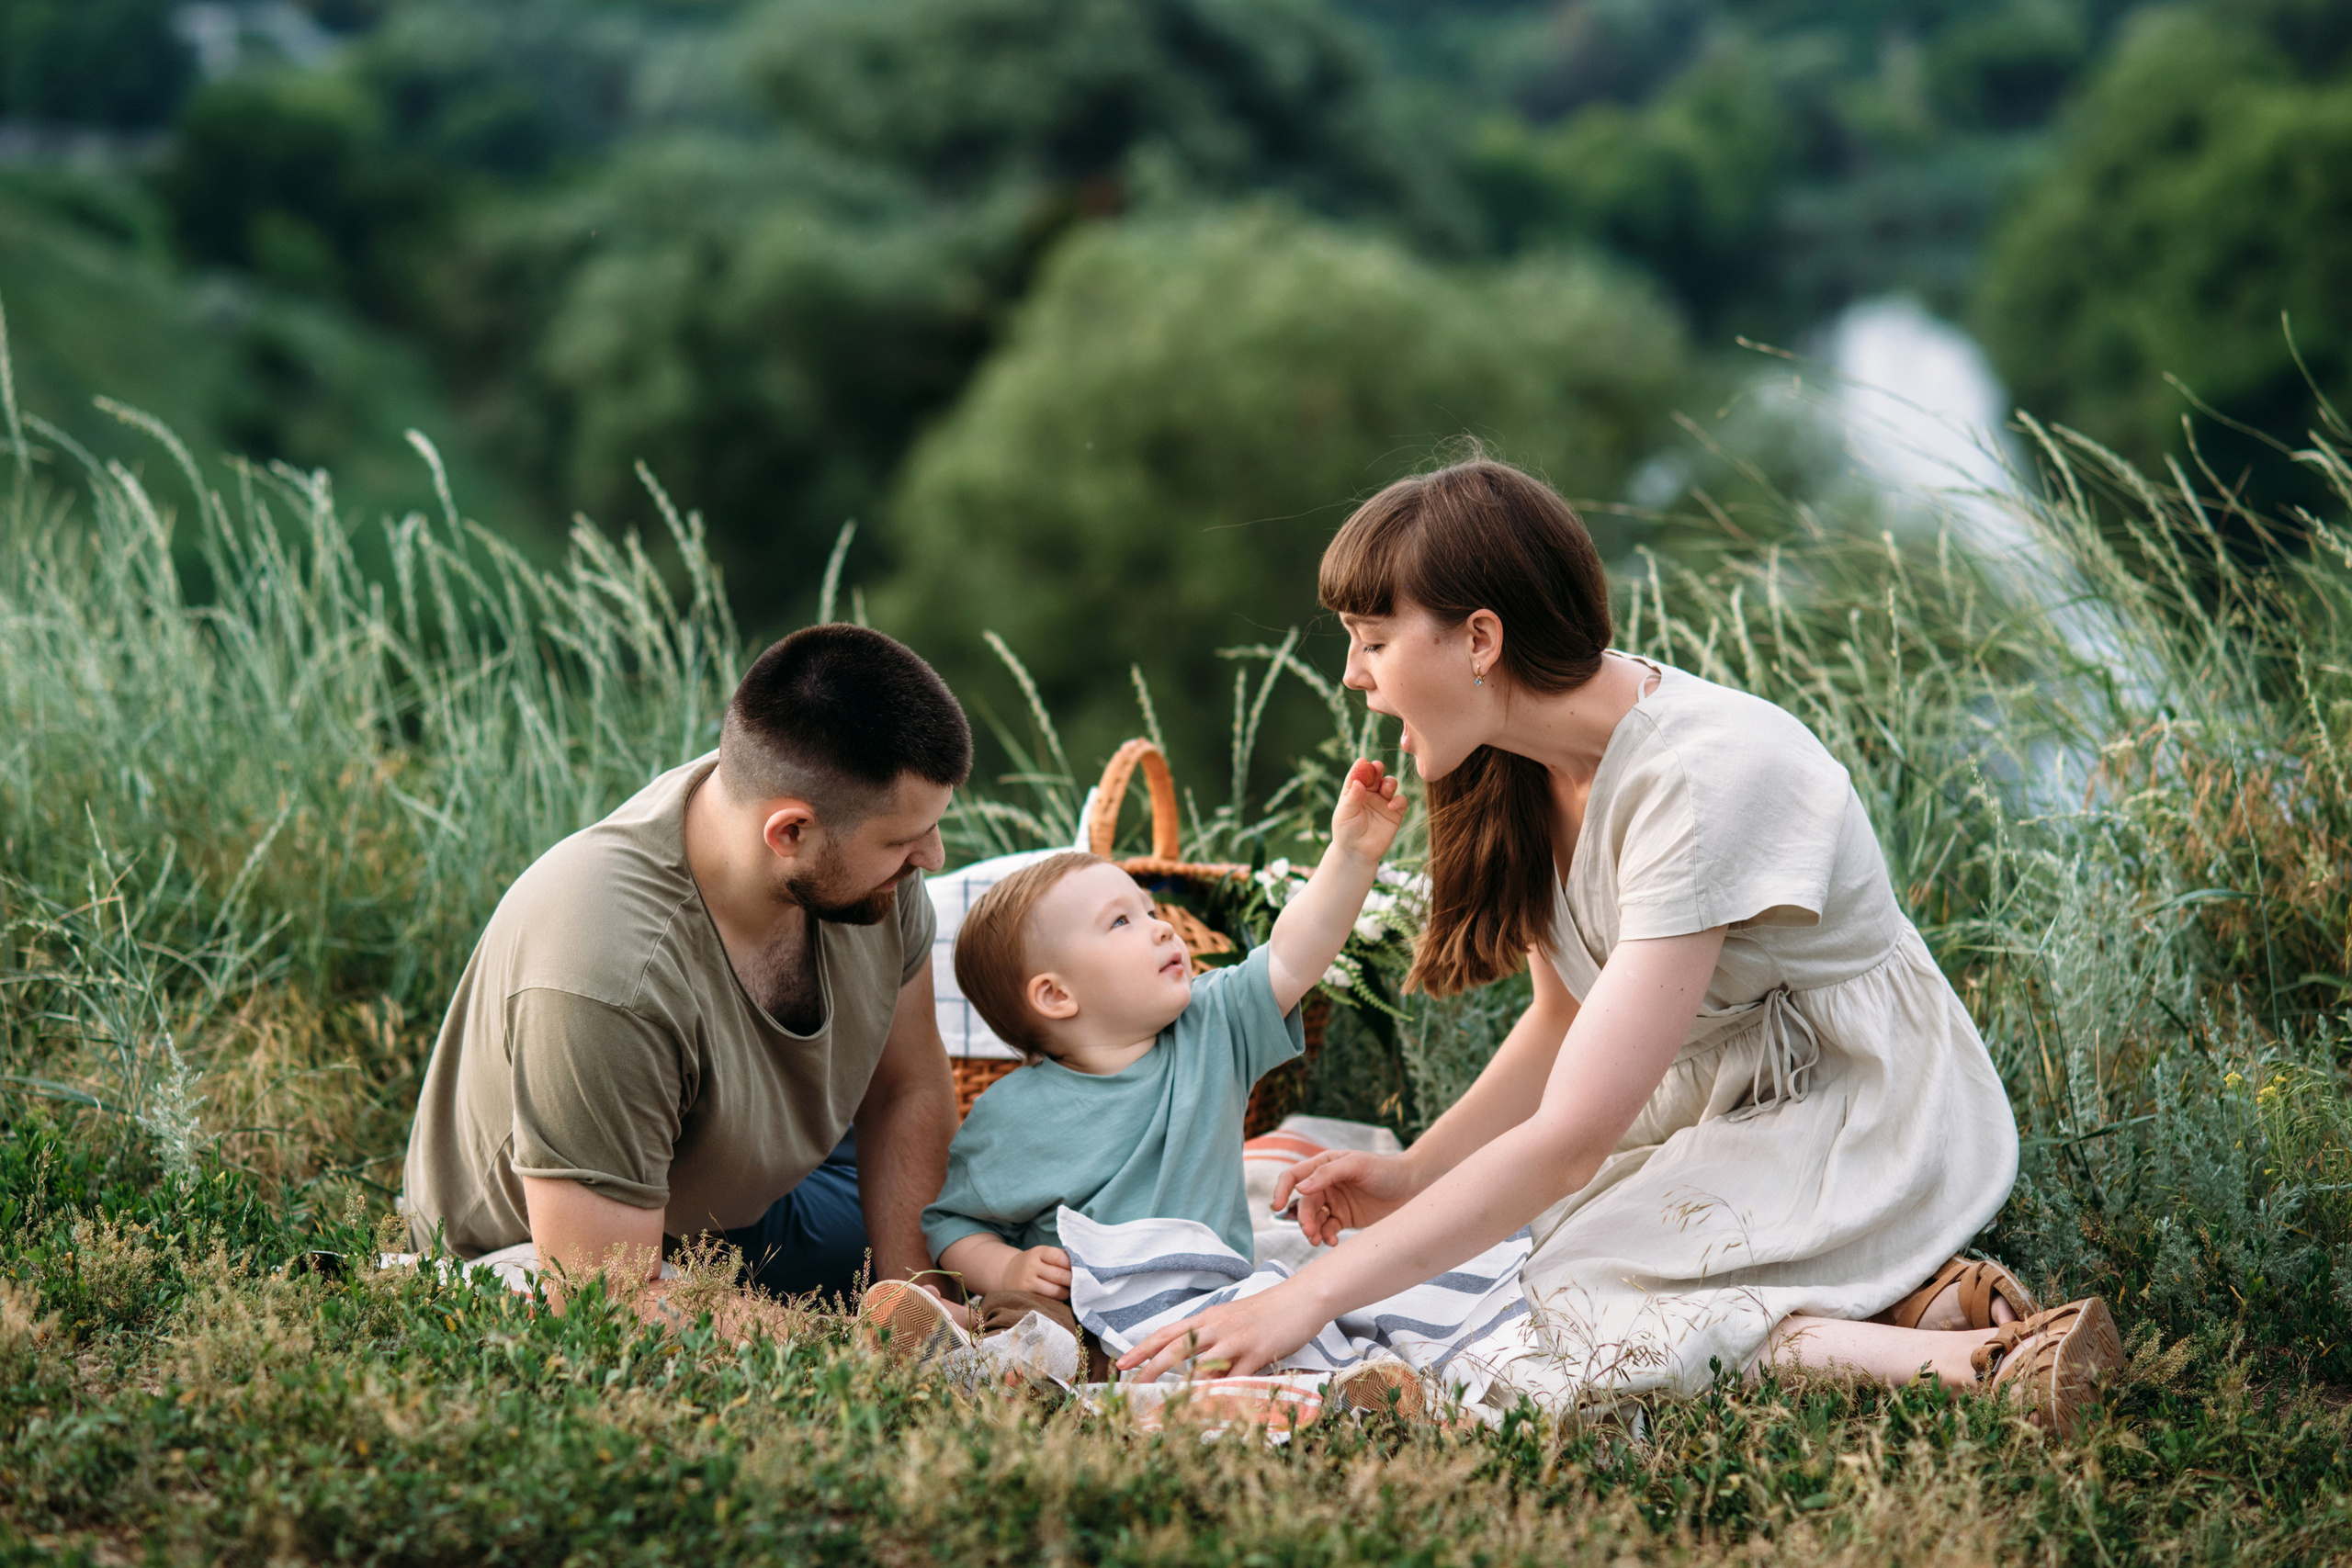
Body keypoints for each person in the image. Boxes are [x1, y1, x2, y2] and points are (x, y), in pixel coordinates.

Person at [1117, 458, 2125, 1436]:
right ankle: (1913, 1297)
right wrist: (1417, 1173)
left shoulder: (1700, 779)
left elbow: (1569, 1139)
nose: (1354, 678)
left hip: (1847, 1102)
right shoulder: (1516, 758)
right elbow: (1562, 1021)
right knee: (1535, 1260)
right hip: (1711, 1095)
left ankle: (1971, 1365)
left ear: (1478, 638)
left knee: (1574, 1291)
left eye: (1371, 641)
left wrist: (1302, 1301)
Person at [401, 624, 969, 1325]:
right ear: (789, 833)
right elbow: (605, 1294)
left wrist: (926, 1302)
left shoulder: (852, 841)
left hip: (742, 1193)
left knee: (1002, 1219)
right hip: (579, 1233)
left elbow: (905, 1086)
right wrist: (865, 1349)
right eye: (906, 843)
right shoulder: (606, 971)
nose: (934, 858)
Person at [859, 761, 1408, 1364]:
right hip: (1079, 1316)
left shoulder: (1213, 1025)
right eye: (1123, 921)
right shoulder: (1007, 1116)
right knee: (1026, 1325)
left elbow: (1294, 955)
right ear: (1056, 995)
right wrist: (1009, 1266)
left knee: (1296, 1310)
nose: (1161, 929)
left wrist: (1352, 856)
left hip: (1212, 1303)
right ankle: (975, 1356)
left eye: (1151, 911)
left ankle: (1363, 1383)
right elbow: (953, 1226)